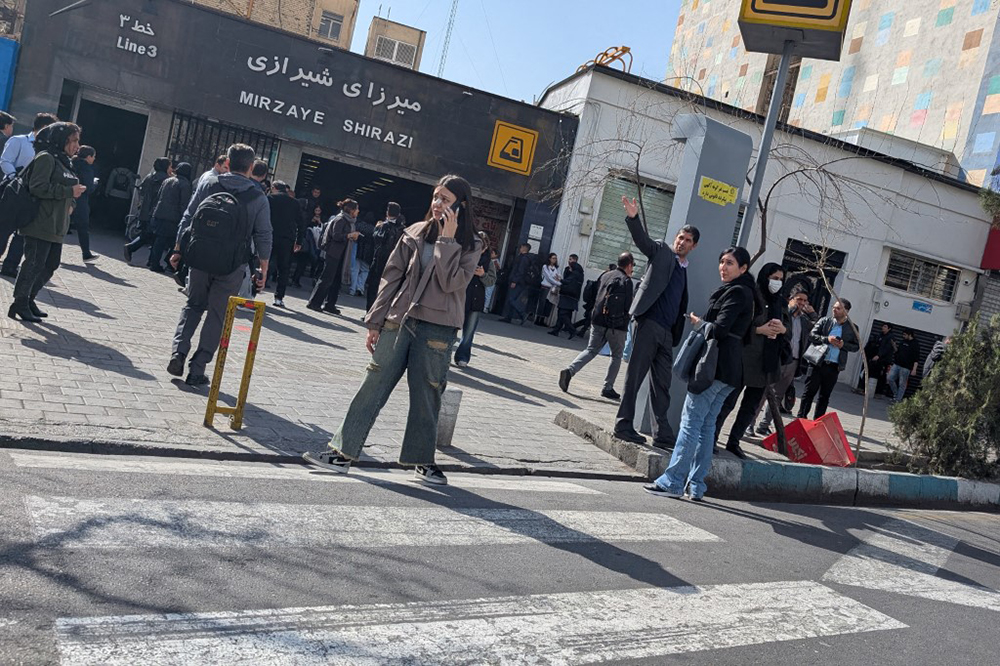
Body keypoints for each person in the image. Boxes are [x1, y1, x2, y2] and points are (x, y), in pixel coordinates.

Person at [303, 175, 483, 486]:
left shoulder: (472, 244)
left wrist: (447, 241)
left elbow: (452, 283)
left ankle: (422, 462)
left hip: (438, 328)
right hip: (399, 320)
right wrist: (375, 321)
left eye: (446, 200)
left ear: (461, 206)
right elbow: (391, 278)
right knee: (372, 384)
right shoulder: (414, 232)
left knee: (427, 394)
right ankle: (342, 454)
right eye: (436, 197)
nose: (438, 204)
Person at [643, 246, 755, 501]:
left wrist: (700, 324)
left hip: (714, 370)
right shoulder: (748, 293)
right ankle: (697, 485)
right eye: (722, 261)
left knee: (691, 425)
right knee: (706, 427)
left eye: (730, 263)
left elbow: (721, 329)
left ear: (743, 268)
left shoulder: (737, 292)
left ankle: (673, 481)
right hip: (729, 371)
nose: (723, 267)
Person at [167, 143, 272, 386]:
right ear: (250, 166)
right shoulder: (257, 196)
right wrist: (263, 268)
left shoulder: (209, 184)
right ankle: (197, 369)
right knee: (217, 315)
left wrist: (178, 249)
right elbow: (264, 234)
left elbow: (189, 216)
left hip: (199, 257)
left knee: (193, 306)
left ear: (228, 162)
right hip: (232, 265)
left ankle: (178, 353)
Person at [615, 196, 698, 448]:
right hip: (648, 323)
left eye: (687, 240)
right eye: (680, 237)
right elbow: (642, 241)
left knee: (662, 384)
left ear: (694, 246)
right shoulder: (662, 251)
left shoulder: (684, 269)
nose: (681, 242)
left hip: (666, 334)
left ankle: (661, 433)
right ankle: (623, 425)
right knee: (635, 377)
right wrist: (633, 217)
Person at [7, 122, 86, 322]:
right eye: (74, 140)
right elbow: (37, 187)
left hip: (57, 224)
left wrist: (72, 201)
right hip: (39, 222)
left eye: (78, 140)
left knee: (50, 264)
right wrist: (69, 192)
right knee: (33, 263)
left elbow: (70, 189)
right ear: (61, 139)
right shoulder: (46, 158)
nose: (77, 145)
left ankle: (29, 298)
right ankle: (19, 302)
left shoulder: (64, 161)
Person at [716, 263, 787, 459]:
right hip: (745, 357)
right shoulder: (752, 295)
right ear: (765, 276)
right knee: (728, 401)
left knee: (751, 406)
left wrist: (782, 329)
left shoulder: (779, 302)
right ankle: (712, 436)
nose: (777, 283)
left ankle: (734, 441)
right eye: (774, 277)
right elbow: (739, 323)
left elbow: (787, 328)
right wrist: (759, 330)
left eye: (781, 279)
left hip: (766, 362)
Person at [559, 252, 635, 400]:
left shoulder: (605, 275)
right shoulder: (626, 281)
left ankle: (570, 370)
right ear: (629, 265)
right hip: (616, 326)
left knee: (591, 349)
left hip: (598, 319)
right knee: (616, 355)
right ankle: (608, 387)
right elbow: (628, 306)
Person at [0, 112, 58, 277]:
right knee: (3, 229)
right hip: (14, 192)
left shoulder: (49, 149)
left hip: (33, 195)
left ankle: (10, 266)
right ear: (44, 127)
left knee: (23, 234)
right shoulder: (18, 141)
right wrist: (14, 177)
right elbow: (5, 161)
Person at [756, 290, 816, 434]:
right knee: (763, 393)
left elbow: (816, 326)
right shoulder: (782, 315)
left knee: (778, 396)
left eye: (804, 301)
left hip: (792, 362)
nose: (801, 303)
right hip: (777, 359)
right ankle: (749, 424)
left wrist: (812, 313)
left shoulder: (804, 321)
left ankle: (764, 425)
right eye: (798, 299)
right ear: (791, 299)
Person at [796, 298, 860, 420]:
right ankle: (801, 417)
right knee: (809, 392)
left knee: (824, 396)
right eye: (833, 307)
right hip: (818, 363)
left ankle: (818, 421)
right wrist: (827, 339)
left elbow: (856, 347)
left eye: (838, 308)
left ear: (846, 311)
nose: (834, 310)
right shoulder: (825, 321)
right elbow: (812, 335)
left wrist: (843, 345)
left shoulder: (852, 328)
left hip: (834, 366)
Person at [307, 199, 360, 315]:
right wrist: (350, 235)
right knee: (326, 279)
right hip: (333, 253)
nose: (358, 211)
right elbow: (336, 236)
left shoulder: (350, 221)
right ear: (350, 210)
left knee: (336, 280)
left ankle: (330, 304)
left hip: (342, 254)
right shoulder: (340, 219)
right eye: (356, 209)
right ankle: (314, 302)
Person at [454, 231, 497, 368]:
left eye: (483, 247)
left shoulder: (488, 261)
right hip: (459, 296)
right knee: (451, 327)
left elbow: (491, 281)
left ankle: (462, 357)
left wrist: (483, 275)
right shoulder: (465, 255)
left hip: (476, 299)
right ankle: (445, 352)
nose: (480, 249)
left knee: (469, 332)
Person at [124, 157, 171, 265]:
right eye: (169, 165)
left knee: (149, 235)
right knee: (153, 236)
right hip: (155, 212)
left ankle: (150, 260)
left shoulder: (150, 177)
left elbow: (141, 191)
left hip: (145, 211)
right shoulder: (166, 180)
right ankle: (132, 248)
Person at [147, 162, 193, 273]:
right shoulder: (185, 184)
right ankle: (162, 262)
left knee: (159, 240)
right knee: (174, 242)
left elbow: (159, 196)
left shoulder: (167, 180)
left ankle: (154, 261)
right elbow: (184, 204)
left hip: (160, 213)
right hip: (173, 218)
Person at [266, 181, 305, 307]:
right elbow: (301, 223)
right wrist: (299, 241)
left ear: (274, 188)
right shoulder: (295, 203)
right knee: (284, 269)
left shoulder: (269, 199)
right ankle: (279, 297)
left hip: (269, 236)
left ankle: (254, 291)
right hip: (287, 239)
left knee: (264, 262)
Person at [366, 202, 406, 311]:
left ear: (387, 212)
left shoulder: (383, 226)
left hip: (379, 260)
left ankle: (370, 311)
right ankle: (381, 312)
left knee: (373, 287)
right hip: (394, 262)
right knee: (387, 288)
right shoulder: (402, 229)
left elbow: (377, 240)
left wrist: (377, 228)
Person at [70, 145, 98, 262]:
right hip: (80, 201)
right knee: (83, 227)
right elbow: (89, 188)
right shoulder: (86, 168)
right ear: (88, 157)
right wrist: (95, 183)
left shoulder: (71, 163)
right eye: (93, 156)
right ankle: (86, 253)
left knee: (60, 225)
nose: (94, 159)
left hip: (67, 197)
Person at [549, 254, 584, 338]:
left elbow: (567, 281)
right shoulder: (576, 272)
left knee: (562, 313)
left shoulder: (576, 273)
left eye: (571, 260)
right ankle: (557, 330)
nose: (569, 261)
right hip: (571, 295)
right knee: (564, 313)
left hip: (568, 295)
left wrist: (560, 280)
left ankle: (572, 330)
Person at [856, 322, 894, 397]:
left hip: (883, 360)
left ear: (889, 329)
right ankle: (863, 389)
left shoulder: (890, 338)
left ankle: (878, 393)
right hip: (875, 358)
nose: (883, 328)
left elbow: (886, 348)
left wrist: (879, 355)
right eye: (883, 326)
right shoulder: (880, 335)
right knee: (868, 372)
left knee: (880, 376)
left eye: (885, 326)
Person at [500, 243, 532, 324]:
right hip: (520, 282)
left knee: (512, 299)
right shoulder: (524, 258)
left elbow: (520, 271)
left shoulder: (524, 258)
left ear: (524, 248)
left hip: (518, 282)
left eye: (521, 247)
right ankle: (509, 317)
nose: (520, 248)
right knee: (511, 299)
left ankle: (522, 314)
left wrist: (514, 281)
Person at [888, 328, 921, 403]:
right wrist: (894, 346)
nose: (903, 336)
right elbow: (897, 351)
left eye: (905, 334)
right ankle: (896, 394)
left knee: (902, 384)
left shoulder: (915, 344)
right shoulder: (903, 341)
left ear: (910, 335)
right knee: (890, 378)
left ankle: (898, 399)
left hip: (906, 367)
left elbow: (916, 358)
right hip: (897, 364)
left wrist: (914, 369)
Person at [351, 212, 375, 297]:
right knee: (365, 270)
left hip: (357, 249)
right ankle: (360, 288)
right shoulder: (373, 229)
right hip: (368, 252)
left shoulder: (358, 225)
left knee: (355, 270)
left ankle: (352, 289)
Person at [537, 252, 561, 324]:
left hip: (552, 288)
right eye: (553, 258)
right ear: (549, 259)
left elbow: (559, 277)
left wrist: (557, 280)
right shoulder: (545, 266)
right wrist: (557, 282)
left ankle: (543, 319)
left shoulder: (557, 268)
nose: (554, 260)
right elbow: (548, 277)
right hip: (545, 287)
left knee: (549, 304)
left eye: (555, 258)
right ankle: (538, 318)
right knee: (542, 302)